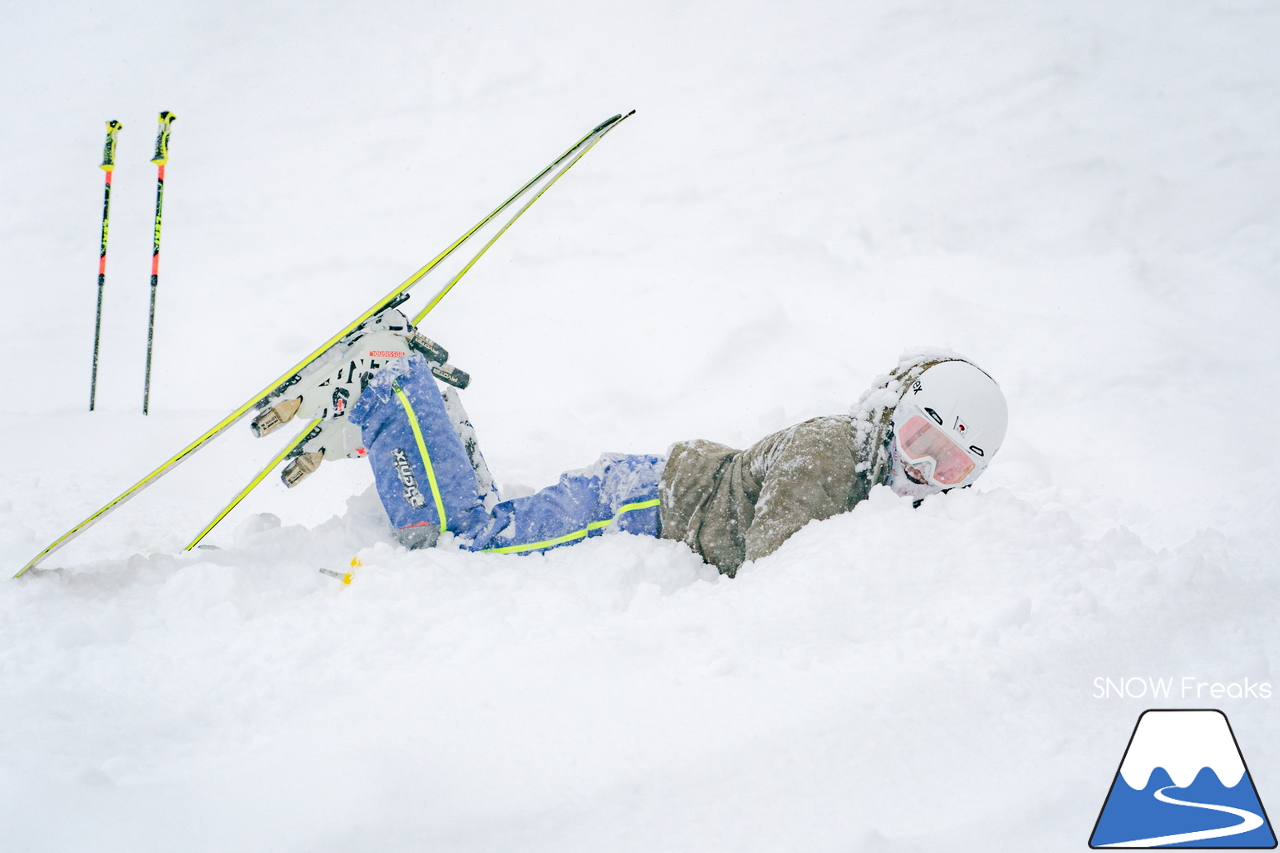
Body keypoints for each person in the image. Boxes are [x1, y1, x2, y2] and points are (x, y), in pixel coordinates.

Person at [255, 308, 1009, 576]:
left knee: (488, 528)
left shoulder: (872, 474)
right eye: (918, 439)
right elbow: (783, 574)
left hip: (656, 494)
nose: (920, 467)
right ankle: (389, 387)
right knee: (468, 546)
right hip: (643, 504)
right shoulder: (833, 454)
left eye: (945, 464)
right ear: (893, 411)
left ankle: (412, 413)